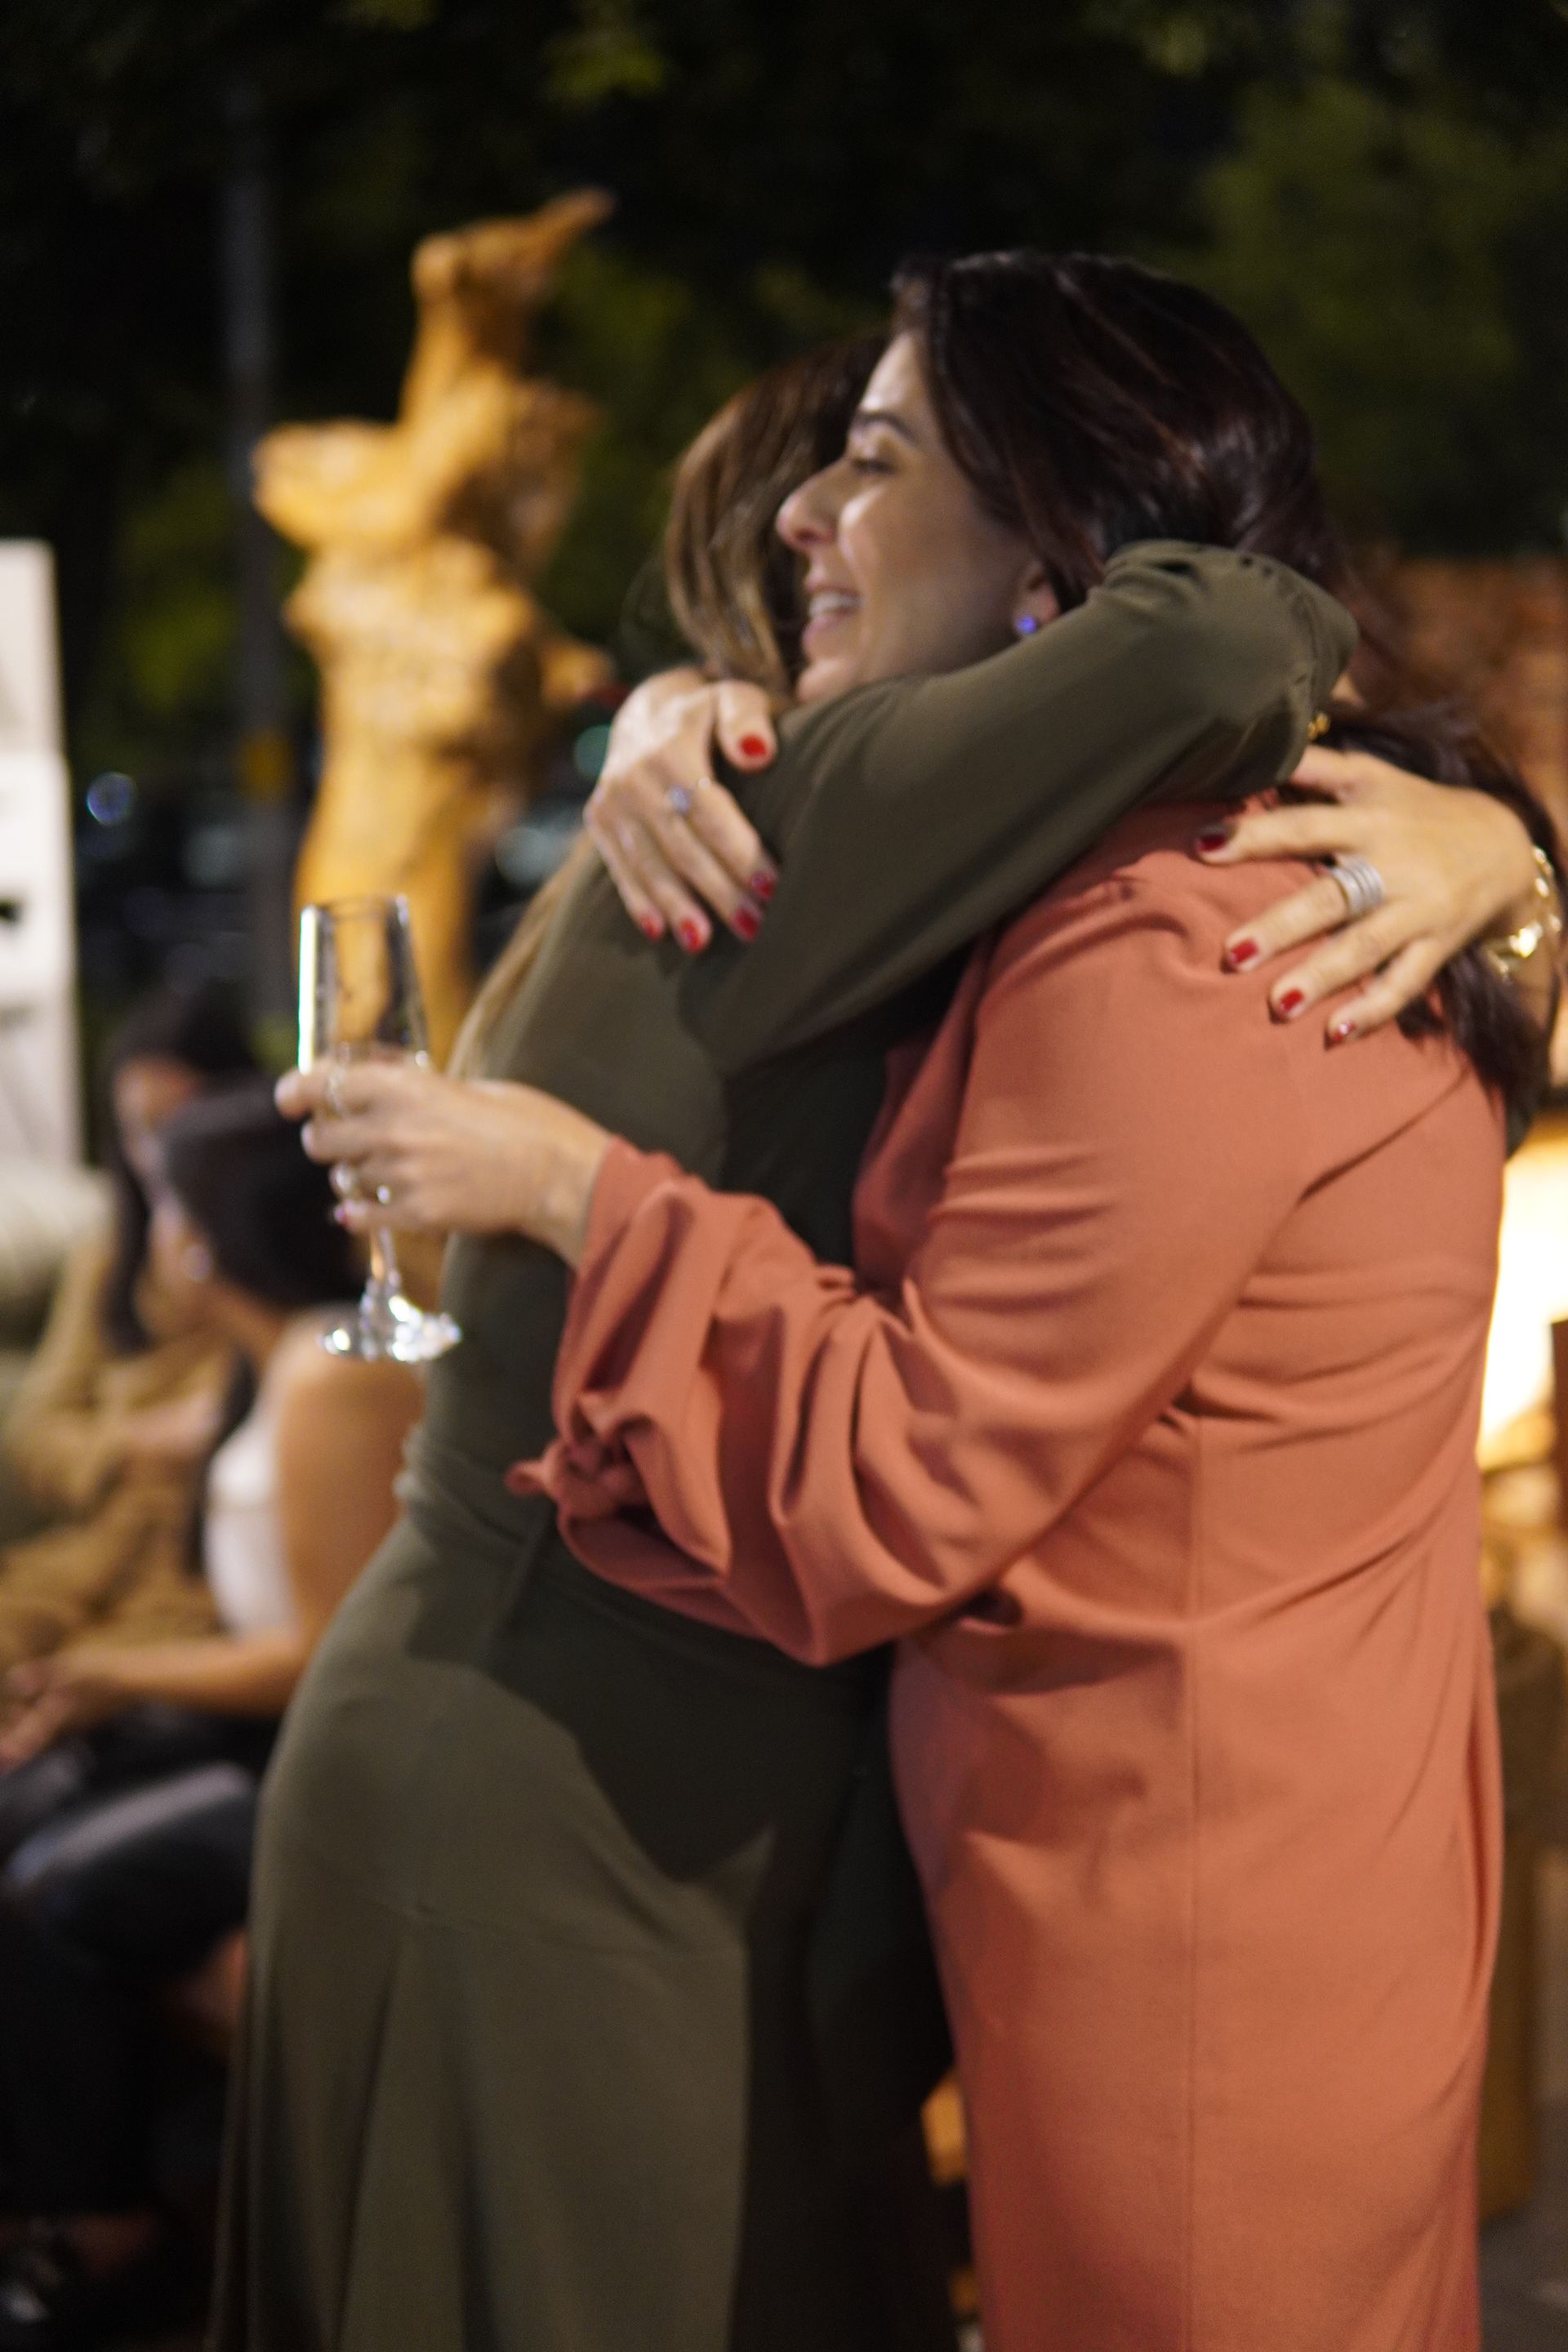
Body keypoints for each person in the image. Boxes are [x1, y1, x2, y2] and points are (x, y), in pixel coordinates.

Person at [241, 276, 1552, 2352]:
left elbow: (1214, 630)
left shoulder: (1115, 901)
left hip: (916, 1844)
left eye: (873, 462)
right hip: (586, 1793)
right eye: (815, 470)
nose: (805, 527)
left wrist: (1503, 840)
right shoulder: (794, 819)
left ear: (1056, 557)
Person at [0, 1084, 419, 2352]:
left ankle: (114, 2237)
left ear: (209, 1231)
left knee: (49, 1893)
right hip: (238, 1725)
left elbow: (322, 1659)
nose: (151, 1236)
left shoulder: (326, 1372)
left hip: (311, 1762)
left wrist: (123, 1676)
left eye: (170, 1204)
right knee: (15, 1802)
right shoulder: (249, 1366)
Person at [0, 987, 257, 1682]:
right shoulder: (111, 1254)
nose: (160, 1160)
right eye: (140, 1133)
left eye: (183, 1126)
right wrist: (139, 1441)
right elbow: (34, 1437)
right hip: (85, 1561)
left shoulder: (281, 1257)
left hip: (198, 1580)